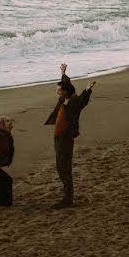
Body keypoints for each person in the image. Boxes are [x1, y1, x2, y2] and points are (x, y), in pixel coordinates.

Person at [44, 63, 96, 209]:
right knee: (61, 166)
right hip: (58, 137)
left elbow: (82, 101)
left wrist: (87, 90)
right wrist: (63, 73)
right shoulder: (63, 99)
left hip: (66, 138)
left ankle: (68, 198)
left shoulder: (73, 103)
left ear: (65, 92)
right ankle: (67, 196)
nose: (57, 93)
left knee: (64, 167)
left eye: (59, 91)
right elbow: (66, 84)